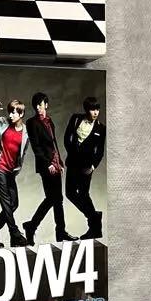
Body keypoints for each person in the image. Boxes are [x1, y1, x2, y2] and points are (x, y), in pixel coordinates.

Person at [23, 90, 77, 244]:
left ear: (46, 105)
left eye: (40, 105)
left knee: (57, 199)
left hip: (55, 163)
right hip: (45, 165)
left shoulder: (49, 121)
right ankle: (32, 226)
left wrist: (59, 162)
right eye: (36, 105)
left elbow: (53, 143)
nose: (38, 108)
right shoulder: (32, 123)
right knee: (53, 198)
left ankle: (59, 232)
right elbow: (36, 147)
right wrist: (48, 164)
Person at [0, 98, 30, 249]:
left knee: (13, 203)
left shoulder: (26, 131)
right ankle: (15, 234)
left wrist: (18, 167)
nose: (10, 115)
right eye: (10, 112)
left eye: (14, 112)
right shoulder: (2, 122)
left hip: (10, 171)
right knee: (6, 202)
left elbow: (23, 152)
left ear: (21, 114)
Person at [63, 97, 106, 239]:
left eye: (97, 109)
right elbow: (67, 138)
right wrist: (72, 153)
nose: (96, 112)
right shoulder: (76, 119)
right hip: (73, 163)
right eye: (93, 109)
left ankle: (94, 227)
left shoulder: (101, 128)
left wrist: (93, 166)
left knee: (83, 194)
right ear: (86, 109)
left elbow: (100, 151)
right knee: (70, 193)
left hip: (86, 167)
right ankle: (94, 217)